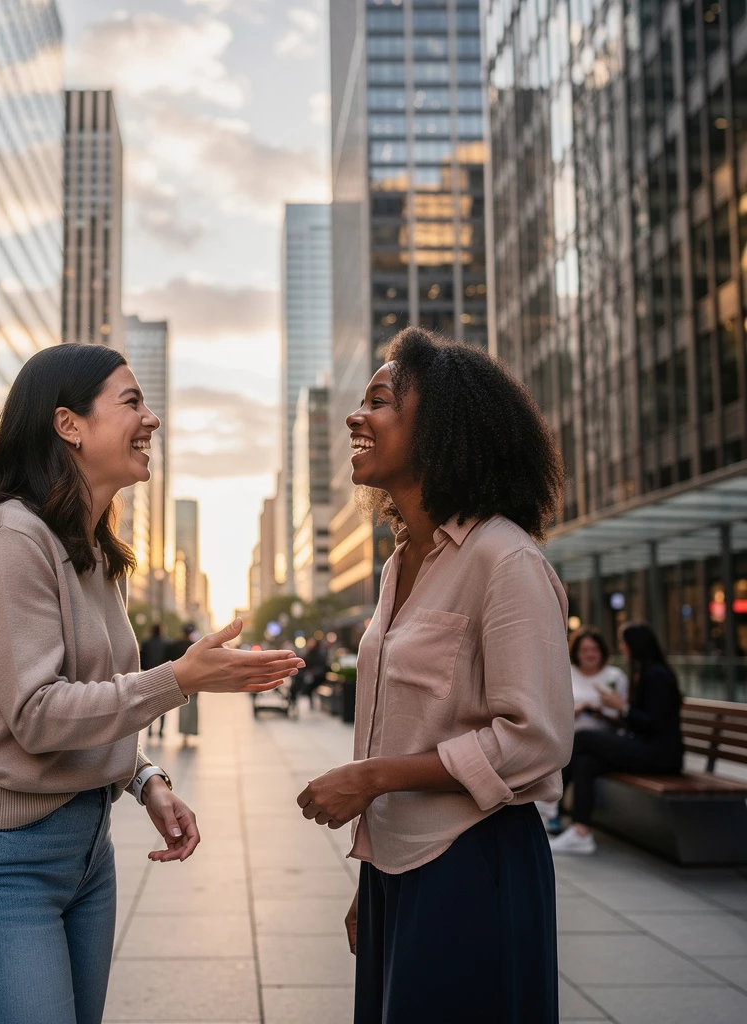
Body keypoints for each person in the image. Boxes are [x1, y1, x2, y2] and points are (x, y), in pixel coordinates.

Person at [0, 343, 303, 1024]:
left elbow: (94, 693)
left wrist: (145, 778)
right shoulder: (9, 538)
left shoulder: (90, 552)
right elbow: (37, 713)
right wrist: (182, 678)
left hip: (86, 854)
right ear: (69, 424)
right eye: (132, 402)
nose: (150, 420)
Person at [295, 327, 573, 1024]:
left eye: (381, 401)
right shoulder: (396, 567)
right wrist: (373, 870)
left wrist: (372, 777)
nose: (359, 417)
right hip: (397, 870)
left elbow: (533, 739)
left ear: (443, 425)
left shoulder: (505, 561)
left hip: (474, 870)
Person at [550, 622, 683, 855]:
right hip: (646, 747)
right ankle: (581, 832)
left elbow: (655, 723)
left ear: (635, 645)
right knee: (586, 762)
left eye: (624, 642)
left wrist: (621, 708)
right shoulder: (646, 673)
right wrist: (612, 711)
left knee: (583, 739)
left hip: (660, 754)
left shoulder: (657, 675)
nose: (621, 647)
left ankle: (553, 804)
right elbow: (641, 721)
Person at [540, 626, 629, 834]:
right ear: (577, 652)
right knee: (576, 756)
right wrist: (576, 711)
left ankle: (553, 806)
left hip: (604, 739)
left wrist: (604, 712)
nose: (590, 654)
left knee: (579, 752)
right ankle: (573, 823)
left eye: (595, 649)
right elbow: (553, 709)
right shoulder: (567, 674)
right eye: (585, 649)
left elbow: (624, 713)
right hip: (568, 736)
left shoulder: (615, 676)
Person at [169, 624, 199, 744]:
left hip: (180, 681)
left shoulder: (176, 645)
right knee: (193, 707)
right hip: (195, 680)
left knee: (183, 708)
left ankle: (184, 732)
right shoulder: (194, 646)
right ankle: (190, 731)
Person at [140, 624, 170, 738]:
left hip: (149, 676)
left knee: (149, 704)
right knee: (163, 705)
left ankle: (149, 730)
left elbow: (141, 659)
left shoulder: (146, 643)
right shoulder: (166, 643)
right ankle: (161, 730)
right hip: (164, 676)